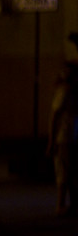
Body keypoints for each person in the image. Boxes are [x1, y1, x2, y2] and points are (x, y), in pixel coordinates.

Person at [48, 60, 78, 216]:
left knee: (66, 170)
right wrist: (52, 140)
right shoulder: (68, 92)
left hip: (67, 136)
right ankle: (66, 204)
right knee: (68, 170)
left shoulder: (66, 91)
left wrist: (52, 141)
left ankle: (65, 204)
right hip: (68, 136)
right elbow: (55, 117)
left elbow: (54, 116)